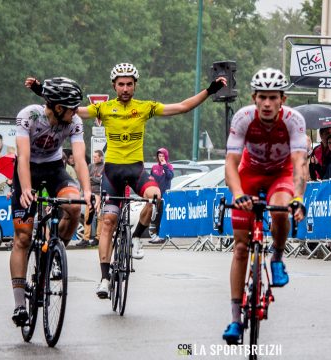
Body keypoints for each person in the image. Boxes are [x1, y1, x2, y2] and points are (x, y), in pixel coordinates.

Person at [25, 62, 226, 299]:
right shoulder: (104, 108)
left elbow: (182, 107)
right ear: (114, 86)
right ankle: (104, 278)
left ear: (135, 86)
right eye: (121, 84)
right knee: (108, 221)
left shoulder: (144, 108)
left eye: (129, 84)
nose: (125, 88)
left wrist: (210, 90)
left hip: (136, 170)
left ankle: (138, 237)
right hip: (112, 174)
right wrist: (42, 92)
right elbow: (71, 110)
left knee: (155, 197)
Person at [221, 68, 307, 343]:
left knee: (281, 209)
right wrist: (237, 194)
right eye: (262, 98)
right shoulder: (243, 118)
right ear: (254, 98)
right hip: (250, 173)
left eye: (273, 98)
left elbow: (298, 164)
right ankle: (235, 319)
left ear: (283, 99)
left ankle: (278, 258)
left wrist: (299, 198)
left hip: (280, 173)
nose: (267, 103)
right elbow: (231, 163)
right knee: (241, 248)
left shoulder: (294, 120)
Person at [10, 77, 92, 327]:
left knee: (74, 207)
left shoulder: (74, 121)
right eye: (72, 107)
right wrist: (25, 189)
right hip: (28, 171)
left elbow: (78, 159)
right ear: (58, 107)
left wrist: (87, 191)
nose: (77, 111)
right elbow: (23, 156)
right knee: (23, 237)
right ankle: (19, 305)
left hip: (55, 169)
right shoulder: (29, 116)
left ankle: (55, 252)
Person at [76, 149, 104, 247]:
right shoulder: (90, 166)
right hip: (90, 195)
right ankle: (86, 239)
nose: (94, 158)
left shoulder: (104, 167)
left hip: (99, 195)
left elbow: (101, 180)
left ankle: (98, 238)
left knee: (100, 217)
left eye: (96, 157)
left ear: (101, 157)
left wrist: (91, 179)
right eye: (93, 157)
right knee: (88, 217)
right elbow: (85, 178)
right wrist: (92, 179)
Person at [148, 148, 173, 244]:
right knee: (154, 216)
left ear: (166, 156)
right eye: (159, 156)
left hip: (164, 196)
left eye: (162, 156)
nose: (161, 158)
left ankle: (161, 236)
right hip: (155, 195)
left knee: (161, 216)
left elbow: (170, 176)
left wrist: (165, 166)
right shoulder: (154, 167)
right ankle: (156, 235)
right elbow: (151, 179)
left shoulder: (169, 166)